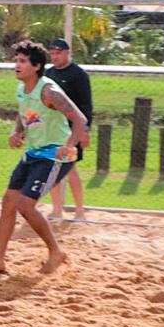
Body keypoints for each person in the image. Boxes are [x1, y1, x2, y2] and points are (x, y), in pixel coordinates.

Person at [0, 41, 87, 276]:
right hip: (34, 152)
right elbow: (24, 115)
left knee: (25, 205)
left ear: (37, 66)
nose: (16, 65)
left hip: (55, 155)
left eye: (22, 61)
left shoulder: (49, 91)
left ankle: (56, 251)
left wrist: (68, 145)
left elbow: (80, 120)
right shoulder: (22, 89)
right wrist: (16, 132)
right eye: (16, 60)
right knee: (8, 201)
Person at [44, 39, 92, 220]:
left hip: (72, 129)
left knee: (70, 169)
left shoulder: (79, 75)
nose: (55, 56)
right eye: (52, 53)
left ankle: (79, 210)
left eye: (58, 53)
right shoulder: (49, 74)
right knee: (53, 167)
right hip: (54, 128)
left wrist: (85, 130)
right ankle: (57, 209)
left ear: (68, 53)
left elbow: (86, 104)